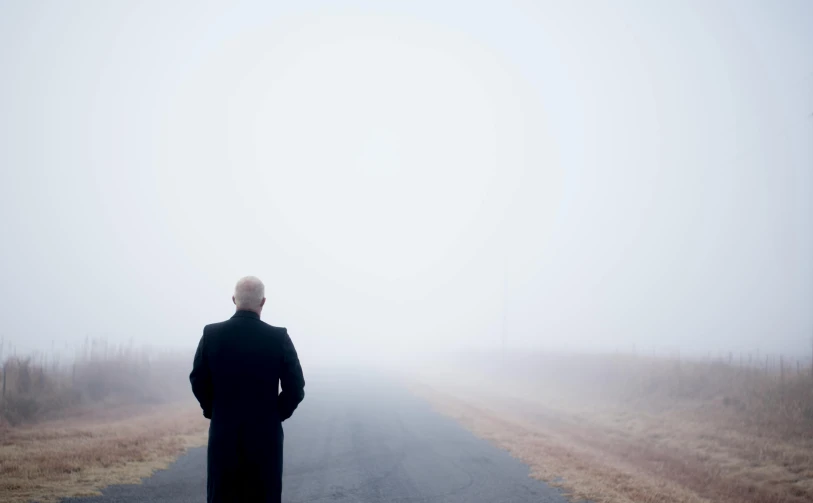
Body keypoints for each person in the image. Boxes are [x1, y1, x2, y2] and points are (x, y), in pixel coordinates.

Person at [190, 276, 305, 503]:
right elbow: (296, 388)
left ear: (234, 299)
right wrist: (274, 415)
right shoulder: (278, 337)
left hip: (223, 436)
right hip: (265, 439)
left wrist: (213, 411)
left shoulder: (211, 335)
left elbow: (198, 380)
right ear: (263, 302)